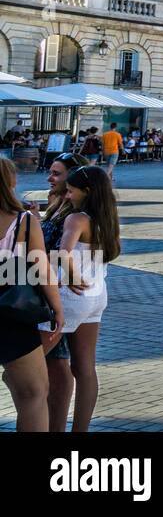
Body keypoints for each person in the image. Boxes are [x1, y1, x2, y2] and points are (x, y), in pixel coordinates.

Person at [37, 165, 120, 432]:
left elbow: (63, 252)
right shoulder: (107, 218)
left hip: (71, 298)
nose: (68, 196)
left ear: (87, 191)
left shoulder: (77, 219)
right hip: (97, 296)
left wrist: (70, 275)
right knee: (85, 369)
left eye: (71, 191)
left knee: (25, 365)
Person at [0, 158, 65, 432]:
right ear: (10, 183)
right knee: (34, 395)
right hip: (12, 312)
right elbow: (42, 270)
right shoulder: (25, 222)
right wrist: (58, 310)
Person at [40, 152, 89, 431]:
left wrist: (68, 273)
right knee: (56, 363)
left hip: (58, 294)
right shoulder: (56, 204)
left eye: (57, 174)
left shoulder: (73, 213)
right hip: (46, 290)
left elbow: (61, 252)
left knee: (57, 365)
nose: (50, 177)